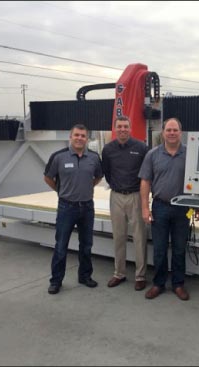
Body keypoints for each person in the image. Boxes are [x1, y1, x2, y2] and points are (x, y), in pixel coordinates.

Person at [138, 117, 199, 301]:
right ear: (163, 132)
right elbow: (145, 181)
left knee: (179, 248)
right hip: (160, 207)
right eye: (169, 130)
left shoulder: (190, 155)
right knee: (159, 249)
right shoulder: (152, 155)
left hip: (183, 209)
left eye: (175, 130)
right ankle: (158, 284)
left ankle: (178, 284)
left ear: (180, 133)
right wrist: (145, 207)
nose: (172, 133)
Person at [44, 124, 103, 295]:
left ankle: (84, 276)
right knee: (61, 246)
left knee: (86, 245)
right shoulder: (58, 157)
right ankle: (56, 281)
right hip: (66, 207)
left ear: (87, 138)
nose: (79, 138)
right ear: (71, 137)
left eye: (83, 136)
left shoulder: (93, 157)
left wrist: (86, 187)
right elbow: (48, 177)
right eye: (76, 135)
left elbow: (98, 176)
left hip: (87, 207)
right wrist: (61, 191)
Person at [102, 116, 149, 291]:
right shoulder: (108, 150)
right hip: (116, 196)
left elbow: (146, 173)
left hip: (136, 196)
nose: (122, 129)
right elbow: (106, 172)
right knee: (118, 236)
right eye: (119, 126)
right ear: (115, 129)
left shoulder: (141, 148)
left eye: (125, 126)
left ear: (130, 129)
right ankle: (119, 273)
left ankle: (140, 275)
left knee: (139, 237)